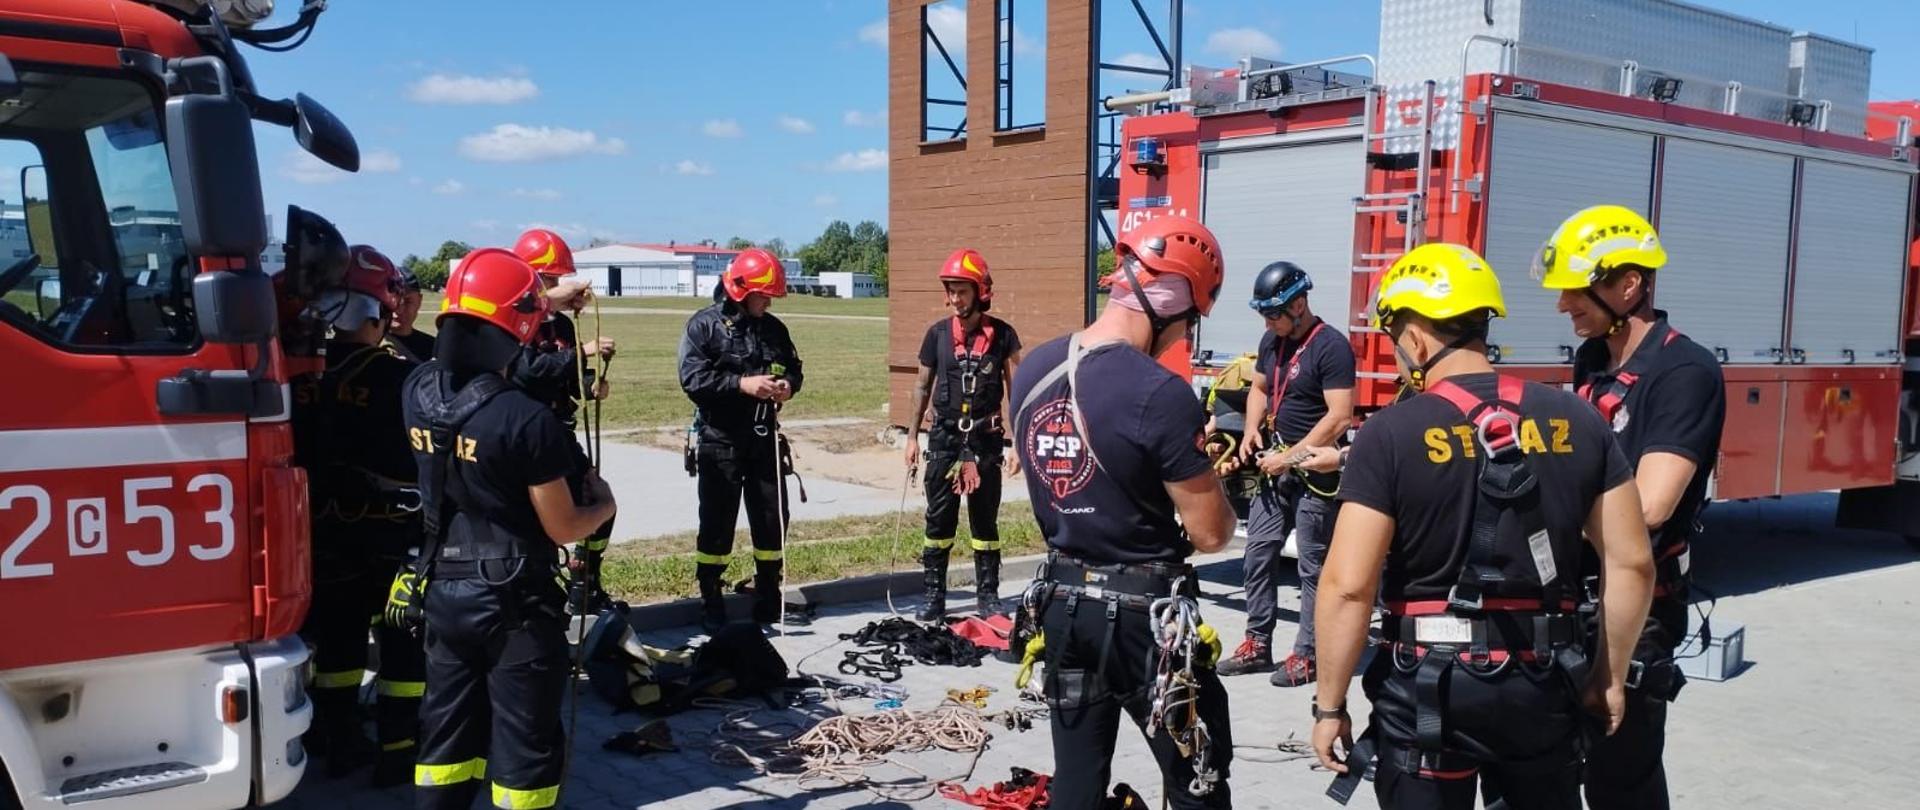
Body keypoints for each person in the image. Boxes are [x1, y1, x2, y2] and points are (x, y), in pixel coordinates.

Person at [1309, 242, 1656, 810]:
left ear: (1415, 338)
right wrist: (1607, 676)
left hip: (1428, 696)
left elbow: (1347, 586)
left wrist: (1330, 705)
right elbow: (1632, 562)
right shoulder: (1578, 419)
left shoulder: (1389, 434)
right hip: (1542, 687)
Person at [1011, 215, 1238, 809]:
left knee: (1078, 780)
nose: (1182, 335)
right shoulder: (1160, 393)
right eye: (1190, 320)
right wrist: (1206, 474)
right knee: (1199, 779)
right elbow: (1211, 534)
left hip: (1061, 605)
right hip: (1145, 621)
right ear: (1175, 299)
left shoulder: (1034, 369)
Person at [405, 248, 617, 810]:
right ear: (518, 329)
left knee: (447, 744)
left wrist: (543, 301)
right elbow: (565, 525)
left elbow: (486, 319)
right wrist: (603, 506)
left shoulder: (417, 392)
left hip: (445, 594)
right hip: (514, 602)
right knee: (526, 753)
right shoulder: (526, 421)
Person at [1536, 205, 1725, 810]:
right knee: (1556, 767)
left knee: (1622, 779)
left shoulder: (1684, 370)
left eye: (1577, 288)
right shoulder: (1594, 361)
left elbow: (1647, 508)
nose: (1564, 304)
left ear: (1629, 284)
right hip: (1573, 596)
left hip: (1633, 613)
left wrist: (1542, 507)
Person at [292, 244, 422, 780]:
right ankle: (398, 751)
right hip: (391, 535)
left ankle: (334, 737)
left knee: (339, 642)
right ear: (381, 310)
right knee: (402, 645)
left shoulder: (302, 375)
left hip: (323, 530)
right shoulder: (398, 377)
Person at [1216, 261, 1354, 687]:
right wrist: (1252, 429)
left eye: (1274, 313)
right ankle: (1257, 644)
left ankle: (1308, 655)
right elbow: (1259, 388)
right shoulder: (1271, 341)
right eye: (1264, 315)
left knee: (1312, 567)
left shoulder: (1331, 347)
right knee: (1258, 554)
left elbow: (1339, 417)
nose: (1268, 321)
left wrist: (1290, 456)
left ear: (1299, 304)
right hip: (1276, 471)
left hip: (1313, 473)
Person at [678, 247, 804, 632]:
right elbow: (692, 379)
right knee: (717, 521)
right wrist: (742, 384)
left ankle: (768, 593)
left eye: (770, 297)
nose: (767, 302)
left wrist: (787, 386)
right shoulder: (704, 326)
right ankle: (711, 598)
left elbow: (795, 369)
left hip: (763, 438)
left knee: (771, 520)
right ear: (740, 290)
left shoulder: (774, 328)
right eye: (762, 296)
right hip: (722, 440)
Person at [903, 247, 1022, 620]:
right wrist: (911, 437)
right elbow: (922, 387)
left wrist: (1017, 442)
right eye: (951, 291)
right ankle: (933, 597)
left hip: (985, 442)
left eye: (962, 291)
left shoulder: (1003, 336)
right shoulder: (936, 335)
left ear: (980, 291)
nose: (955, 299)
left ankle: (987, 596)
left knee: (985, 521)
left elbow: (1016, 389)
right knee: (938, 520)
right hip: (944, 441)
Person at [509, 228, 618, 613]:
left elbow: (566, 374)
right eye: (548, 280)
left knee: (599, 499)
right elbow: (528, 372)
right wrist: (584, 351)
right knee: (538, 520)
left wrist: (590, 385)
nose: (555, 286)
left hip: (559, 432)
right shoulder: (515, 327)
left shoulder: (561, 327)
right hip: (527, 437)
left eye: (556, 280)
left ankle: (585, 582)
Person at [388, 263, 436, 362]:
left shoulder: (434, 348)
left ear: (419, 301)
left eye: (407, 301)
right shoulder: (373, 346)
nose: (399, 309)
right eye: (393, 301)